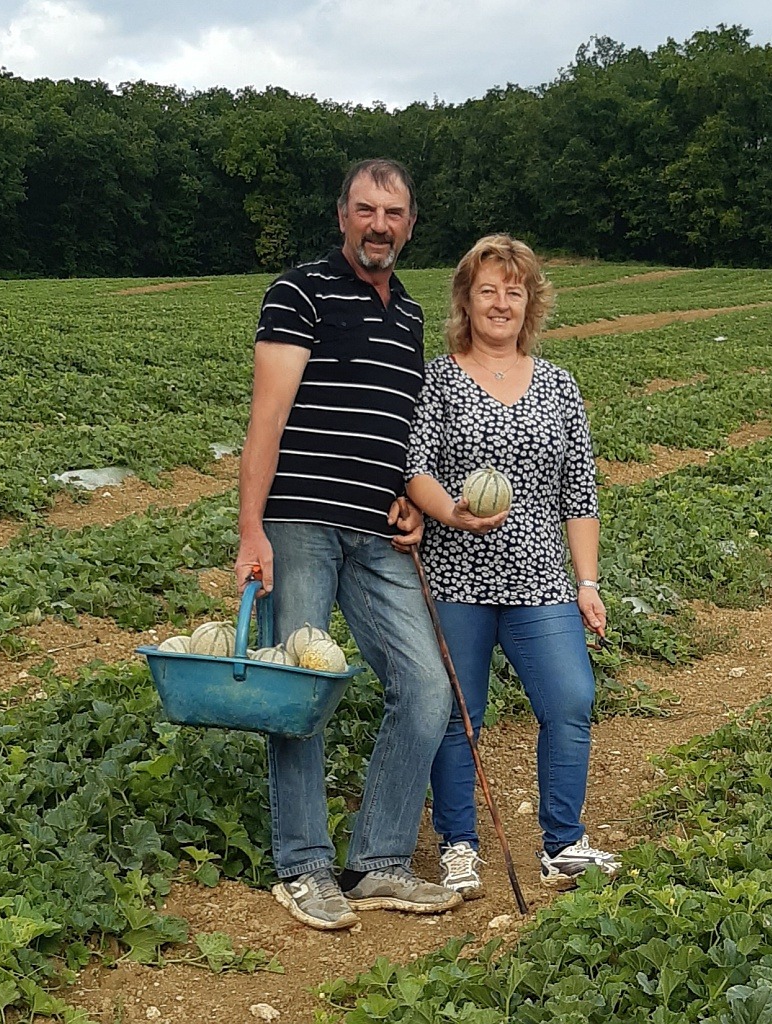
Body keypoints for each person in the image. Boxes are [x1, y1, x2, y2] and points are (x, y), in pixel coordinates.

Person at [233, 158, 462, 931]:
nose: (379, 226)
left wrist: (412, 499)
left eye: (393, 213)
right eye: (366, 210)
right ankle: (303, 866)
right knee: (300, 690)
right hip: (300, 522)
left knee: (426, 686)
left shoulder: (411, 315)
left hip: (378, 532)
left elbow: (398, 429)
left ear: (410, 225)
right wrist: (251, 529)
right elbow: (267, 419)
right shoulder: (298, 292)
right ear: (342, 216)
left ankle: (378, 862)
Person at [405, 233, 620, 898]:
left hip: (540, 580)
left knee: (570, 698)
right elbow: (414, 468)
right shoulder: (438, 379)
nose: (501, 303)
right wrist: (450, 512)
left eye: (514, 292)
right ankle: (459, 846)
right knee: (456, 715)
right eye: (488, 291)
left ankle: (563, 843)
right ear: (466, 302)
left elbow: (579, 492)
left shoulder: (558, 385)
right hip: (455, 576)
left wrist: (587, 582)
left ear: (531, 304)